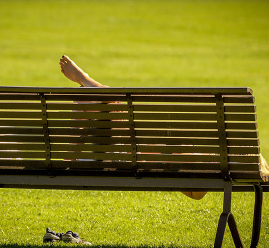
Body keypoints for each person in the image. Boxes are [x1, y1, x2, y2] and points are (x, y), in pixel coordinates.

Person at [60, 55, 269, 200]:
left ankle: (88, 83)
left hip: (164, 163)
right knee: (229, 156)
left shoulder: (100, 149)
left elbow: (70, 157)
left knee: (192, 155)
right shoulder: (117, 144)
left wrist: (81, 125)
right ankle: (89, 83)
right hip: (179, 168)